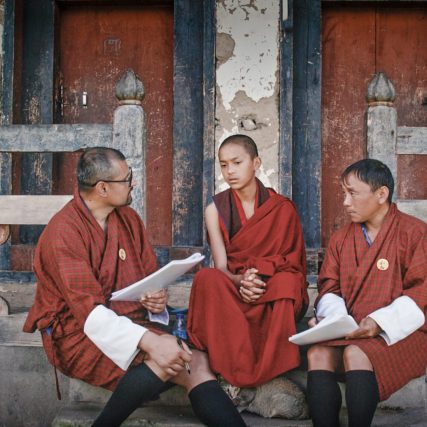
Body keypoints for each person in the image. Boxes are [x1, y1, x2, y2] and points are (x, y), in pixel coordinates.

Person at [23, 147, 246, 427]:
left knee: (196, 361)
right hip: (77, 333)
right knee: (167, 356)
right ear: (103, 188)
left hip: (129, 319)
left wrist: (155, 300)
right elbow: (89, 313)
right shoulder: (63, 232)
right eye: (127, 178)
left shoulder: (127, 219)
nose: (134, 183)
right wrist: (151, 341)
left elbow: (149, 277)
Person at [306, 159, 427, 427]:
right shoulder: (341, 238)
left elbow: (423, 290)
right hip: (352, 330)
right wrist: (335, 320)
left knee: (356, 353)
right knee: (317, 353)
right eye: (344, 193)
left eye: (353, 193)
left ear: (381, 194)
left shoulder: (414, 233)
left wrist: (378, 323)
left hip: (401, 331)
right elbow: (329, 286)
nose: (346, 202)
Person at [187, 134, 308, 388]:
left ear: (256, 163)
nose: (229, 171)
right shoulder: (215, 209)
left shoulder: (282, 208)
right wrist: (242, 280)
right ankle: (231, 368)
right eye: (223, 165)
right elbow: (221, 267)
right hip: (236, 283)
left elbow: (292, 261)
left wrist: (259, 276)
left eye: (237, 162)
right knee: (206, 278)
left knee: (287, 283)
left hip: (269, 282)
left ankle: (269, 371)